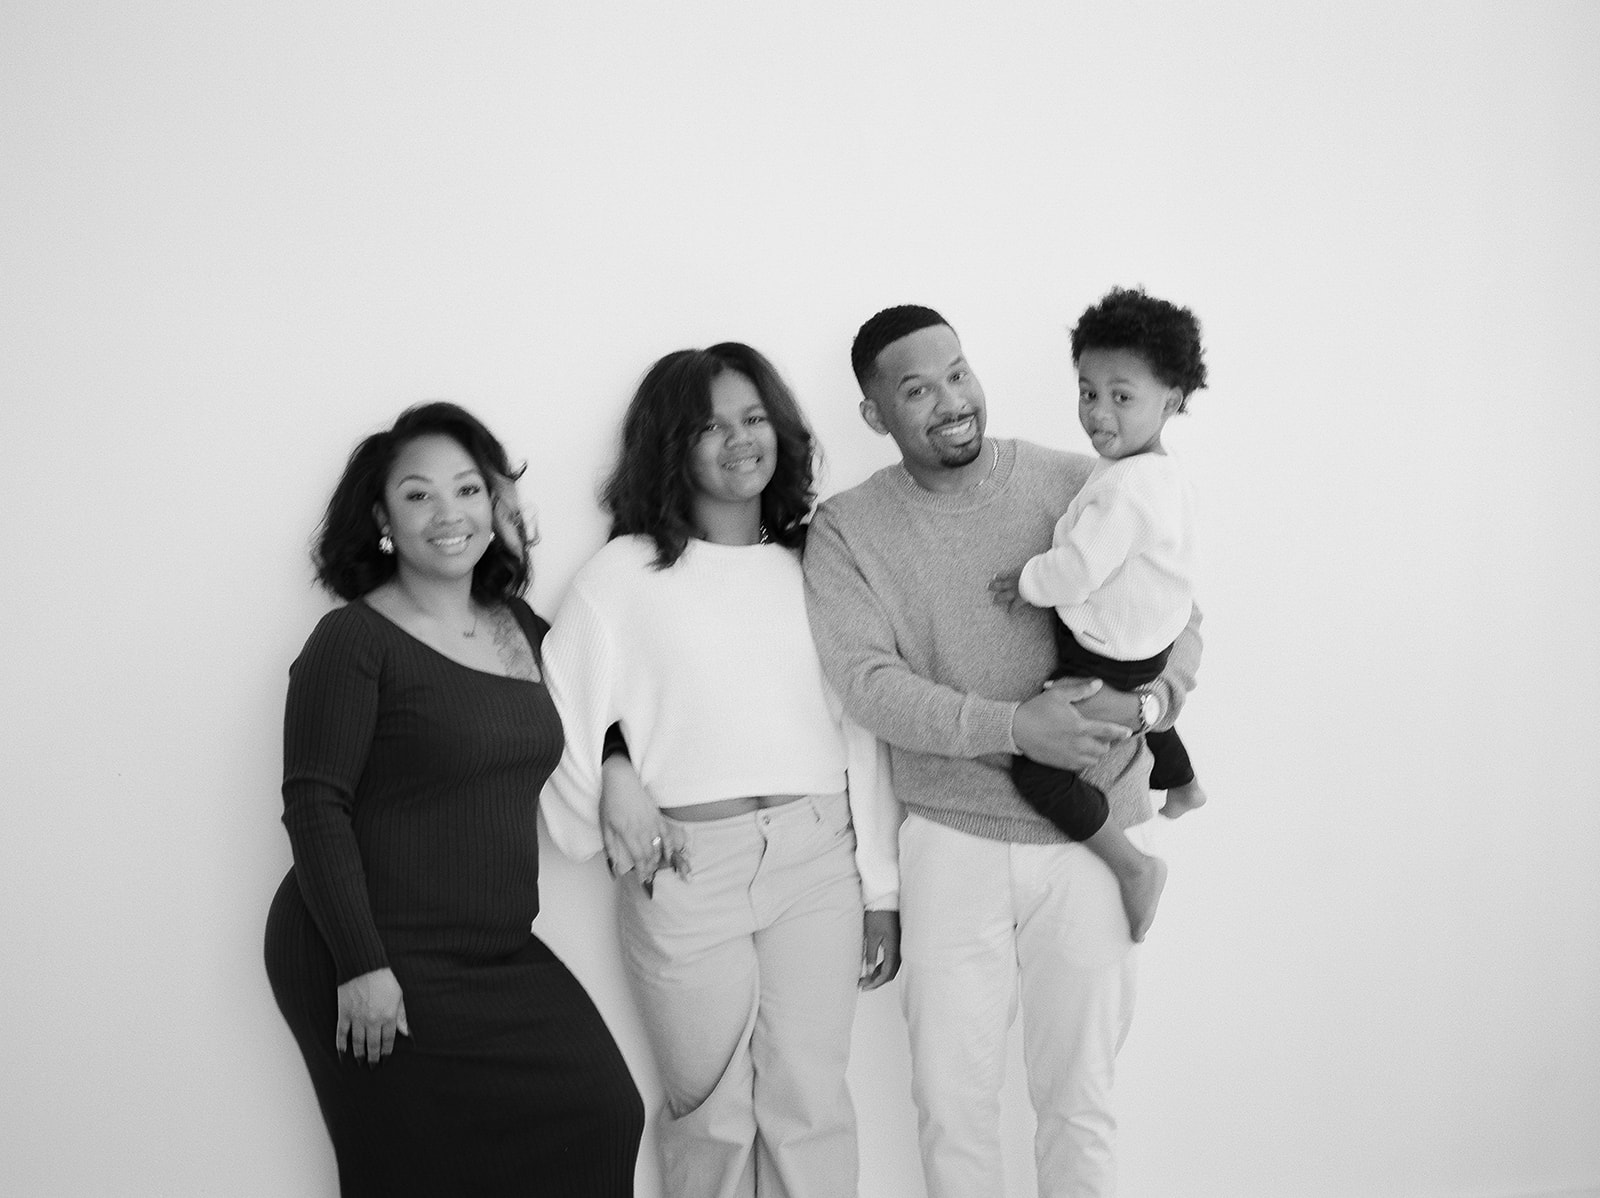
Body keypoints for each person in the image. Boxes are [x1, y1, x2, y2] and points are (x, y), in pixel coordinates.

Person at [803, 307, 1202, 1198]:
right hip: (953, 840)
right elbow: (868, 685)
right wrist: (1015, 728)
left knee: (1080, 1100)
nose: (953, 401)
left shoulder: (1082, 480)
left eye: (959, 372)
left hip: (1096, 835)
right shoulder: (849, 529)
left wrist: (1146, 703)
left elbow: (1180, 614)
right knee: (953, 1106)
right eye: (918, 389)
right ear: (874, 414)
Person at [539, 343, 901, 1198]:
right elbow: (557, 718)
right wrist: (614, 776)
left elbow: (861, 733)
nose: (741, 440)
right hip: (685, 869)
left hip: (817, 859)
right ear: (672, 446)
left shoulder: (818, 569)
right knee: (713, 1116)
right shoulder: (618, 578)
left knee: (810, 1101)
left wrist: (880, 888)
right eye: (711, 426)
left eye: (754, 418)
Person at [263, 402, 644, 1197]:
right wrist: (362, 965)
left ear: (495, 505)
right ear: (381, 519)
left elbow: (591, 706)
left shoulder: (517, 627)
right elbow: (315, 806)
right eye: (418, 495)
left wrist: (618, 768)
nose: (449, 514)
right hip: (367, 948)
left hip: (495, 951)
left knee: (602, 1112)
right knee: (415, 1174)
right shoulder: (353, 641)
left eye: (468, 490)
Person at [989, 286, 1211, 944]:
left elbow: (1078, 568)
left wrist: (1026, 582)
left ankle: (1134, 865)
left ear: (1170, 401)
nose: (1098, 412)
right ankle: (1182, 782)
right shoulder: (1160, 474)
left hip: (1108, 649)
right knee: (1138, 705)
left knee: (1037, 770)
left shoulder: (1127, 489)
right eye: (1088, 392)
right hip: (1149, 643)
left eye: (1122, 396)